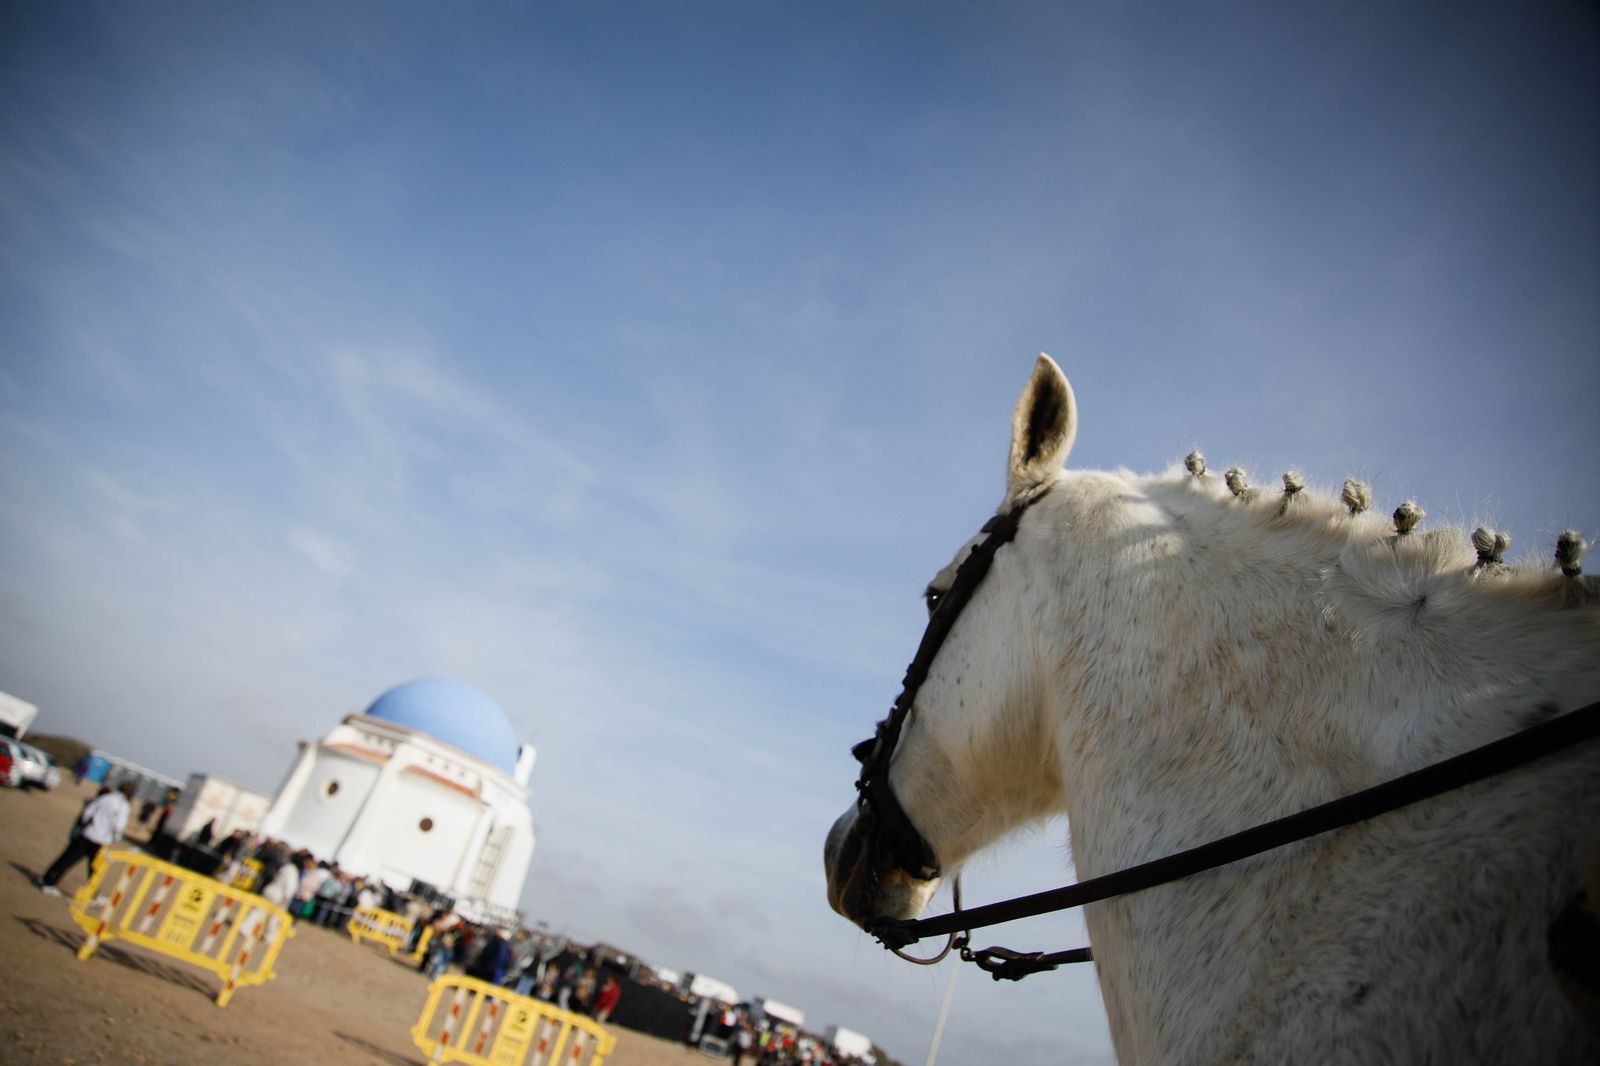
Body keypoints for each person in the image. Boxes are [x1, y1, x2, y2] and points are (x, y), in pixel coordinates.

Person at [38, 781, 134, 895]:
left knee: (66, 859)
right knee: (94, 869)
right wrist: (116, 837)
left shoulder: (106, 797)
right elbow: (119, 826)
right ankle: (92, 894)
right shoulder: (124, 805)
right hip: (101, 841)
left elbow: (87, 813)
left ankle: (47, 879)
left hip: (87, 834)